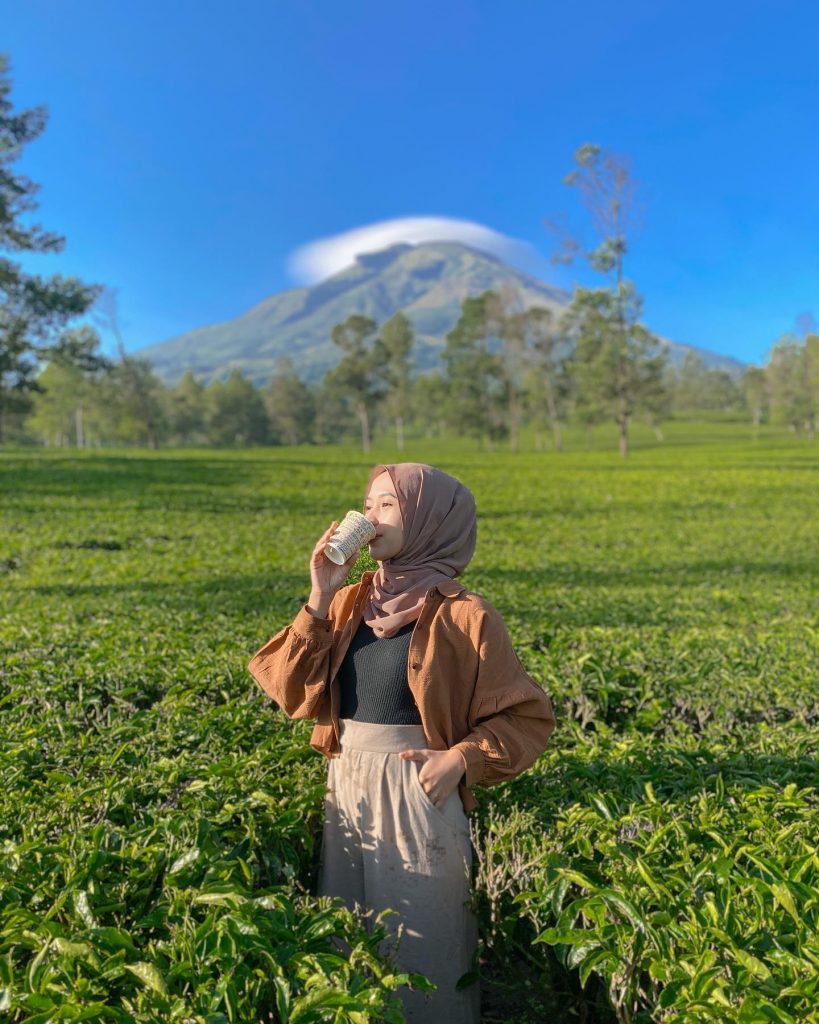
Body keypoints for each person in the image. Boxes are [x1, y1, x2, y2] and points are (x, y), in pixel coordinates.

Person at [247, 462, 557, 1024]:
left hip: (419, 790)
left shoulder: (468, 615)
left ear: (428, 518)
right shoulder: (349, 602)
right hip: (346, 788)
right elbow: (288, 693)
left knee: (425, 956)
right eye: (367, 505)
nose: (370, 516)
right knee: (349, 955)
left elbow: (527, 718)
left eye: (386, 505)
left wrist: (461, 760)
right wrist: (318, 595)